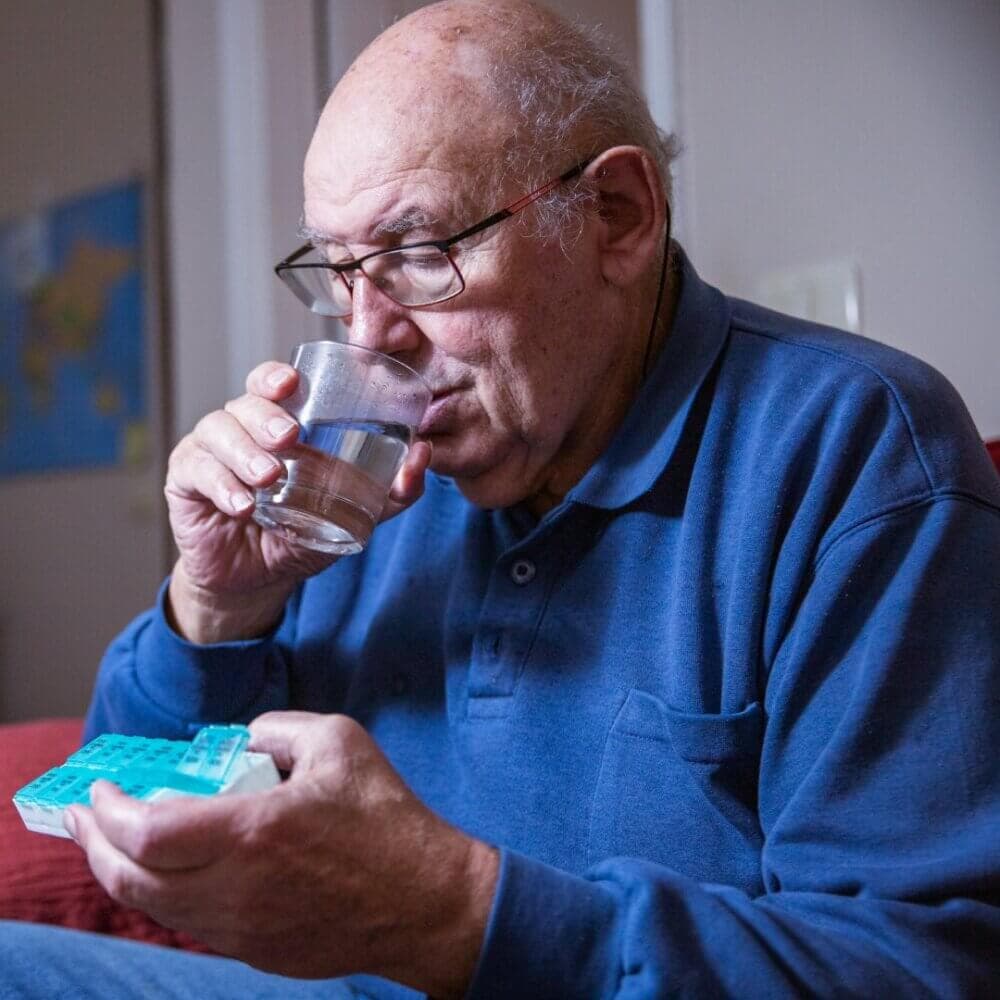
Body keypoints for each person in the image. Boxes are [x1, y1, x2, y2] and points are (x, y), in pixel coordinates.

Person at [3, 0, 998, 996]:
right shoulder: (367, 479)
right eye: (341, 271)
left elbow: (921, 966)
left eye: (421, 253)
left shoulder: (855, 449)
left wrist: (454, 910)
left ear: (618, 217)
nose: (368, 337)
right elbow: (117, 806)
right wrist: (220, 608)